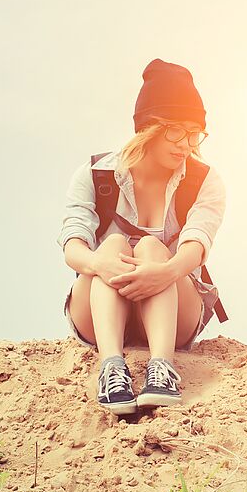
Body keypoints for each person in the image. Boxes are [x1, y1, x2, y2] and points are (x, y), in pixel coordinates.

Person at [56, 59, 226, 414]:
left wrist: (164, 271)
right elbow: (72, 246)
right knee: (114, 246)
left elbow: (197, 244)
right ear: (149, 127)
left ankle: (162, 369)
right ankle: (112, 368)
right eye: (176, 130)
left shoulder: (204, 180)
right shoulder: (95, 174)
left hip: (173, 311)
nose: (186, 144)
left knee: (151, 247)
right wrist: (99, 263)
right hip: (100, 309)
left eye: (194, 133)